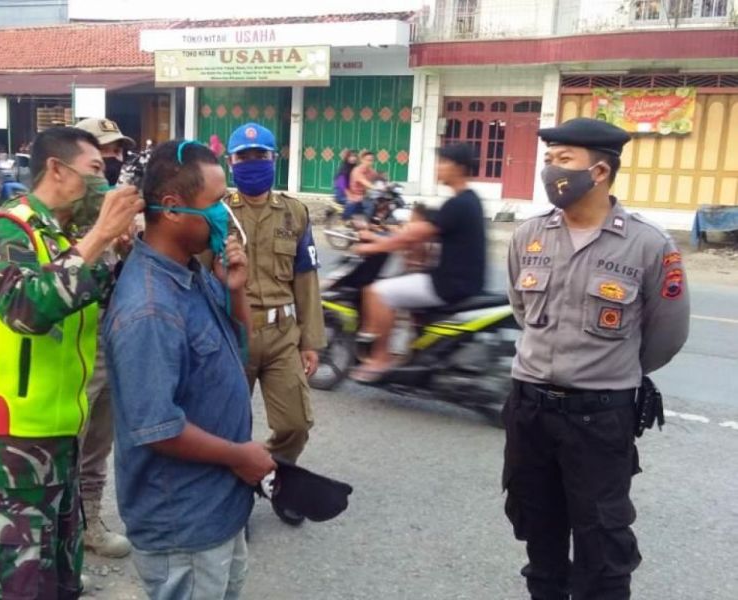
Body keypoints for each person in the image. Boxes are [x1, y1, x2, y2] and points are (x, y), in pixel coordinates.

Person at [503, 117, 690, 600]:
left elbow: (666, 334)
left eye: (563, 160)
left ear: (600, 171)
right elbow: (523, 311)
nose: (550, 171)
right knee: (538, 533)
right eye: (548, 160)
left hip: (599, 417)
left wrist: (610, 370)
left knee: (602, 544)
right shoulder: (529, 236)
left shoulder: (648, 244)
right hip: (529, 410)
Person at [0, 126, 142, 600]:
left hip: (58, 443)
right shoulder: (5, 228)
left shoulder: (60, 239)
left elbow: (98, 313)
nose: (105, 181)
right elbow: (26, 309)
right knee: (15, 590)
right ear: (56, 169)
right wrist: (99, 236)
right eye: (95, 170)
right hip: (7, 446)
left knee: (59, 584)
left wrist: (118, 252)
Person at [105, 139, 275, 599]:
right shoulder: (150, 308)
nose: (227, 214)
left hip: (217, 509)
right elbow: (157, 427)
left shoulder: (191, 272)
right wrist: (242, 457)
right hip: (184, 524)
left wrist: (235, 290)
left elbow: (239, 350)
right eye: (217, 203)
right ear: (175, 208)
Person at [224, 122, 326, 526]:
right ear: (230, 163)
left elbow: (306, 278)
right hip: (234, 333)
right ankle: (233, 504)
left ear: (273, 159)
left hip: (284, 334)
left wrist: (310, 341)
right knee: (229, 423)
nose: (252, 163)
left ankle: (274, 478)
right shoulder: (218, 211)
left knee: (295, 424)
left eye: (260, 156)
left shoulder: (295, 212)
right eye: (243, 157)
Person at [350, 143, 485, 380]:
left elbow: (412, 236)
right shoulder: (468, 200)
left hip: (448, 284)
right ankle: (411, 348)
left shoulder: (458, 204)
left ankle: (381, 359)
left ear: (460, 168)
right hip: (462, 280)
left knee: (378, 291)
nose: (438, 168)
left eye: (444, 162)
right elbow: (414, 231)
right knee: (405, 281)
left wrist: (371, 246)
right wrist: (378, 236)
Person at [73, 117, 136, 558]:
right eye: (101, 156)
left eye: (116, 153)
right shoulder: (53, 216)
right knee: (67, 443)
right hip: (72, 345)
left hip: (110, 337)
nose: (112, 163)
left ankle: (89, 521)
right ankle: (63, 532)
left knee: (99, 439)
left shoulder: (116, 212)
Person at [344, 150, 378, 218]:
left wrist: (387, 183)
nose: (370, 162)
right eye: (368, 160)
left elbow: (378, 177)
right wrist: (375, 187)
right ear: (362, 160)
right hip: (356, 196)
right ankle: (365, 222)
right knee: (370, 205)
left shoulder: (371, 171)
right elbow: (364, 181)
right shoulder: (357, 171)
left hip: (366, 195)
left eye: (371, 160)